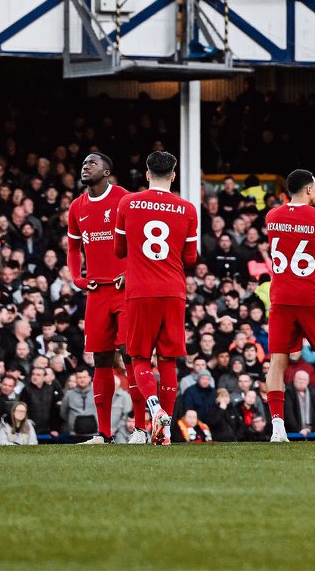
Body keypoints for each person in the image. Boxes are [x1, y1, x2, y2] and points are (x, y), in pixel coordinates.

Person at [114, 150, 198, 445]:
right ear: (173, 175)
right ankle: (167, 432)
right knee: (168, 360)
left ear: (147, 174)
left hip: (139, 291)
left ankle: (154, 409)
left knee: (139, 357)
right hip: (173, 291)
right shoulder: (187, 209)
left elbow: (119, 250)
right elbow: (190, 258)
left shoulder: (127, 203)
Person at [264, 168, 315, 443]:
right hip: (311, 297)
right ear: (309, 189)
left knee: (277, 362)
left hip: (281, 297)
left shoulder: (273, 216)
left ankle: (277, 427)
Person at [66, 153, 131, 445]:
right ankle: (103, 434)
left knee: (132, 355)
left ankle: (140, 430)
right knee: (101, 360)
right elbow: (72, 249)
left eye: (92, 163)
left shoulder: (124, 199)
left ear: (107, 170)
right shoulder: (77, 207)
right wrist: (77, 278)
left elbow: (140, 241)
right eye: (83, 164)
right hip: (96, 294)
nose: (85, 166)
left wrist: (130, 272)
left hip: (123, 291)